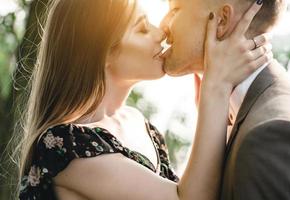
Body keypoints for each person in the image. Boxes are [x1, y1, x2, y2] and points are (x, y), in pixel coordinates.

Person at [15, 0, 271, 199]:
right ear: (101, 52)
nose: (160, 33)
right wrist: (216, 87)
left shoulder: (138, 123)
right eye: (141, 28)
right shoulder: (65, 149)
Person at [160, 0, 290, 199]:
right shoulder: (246, 111)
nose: (162, 27)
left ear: (222, 20)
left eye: (175, 10)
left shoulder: (269, 137)